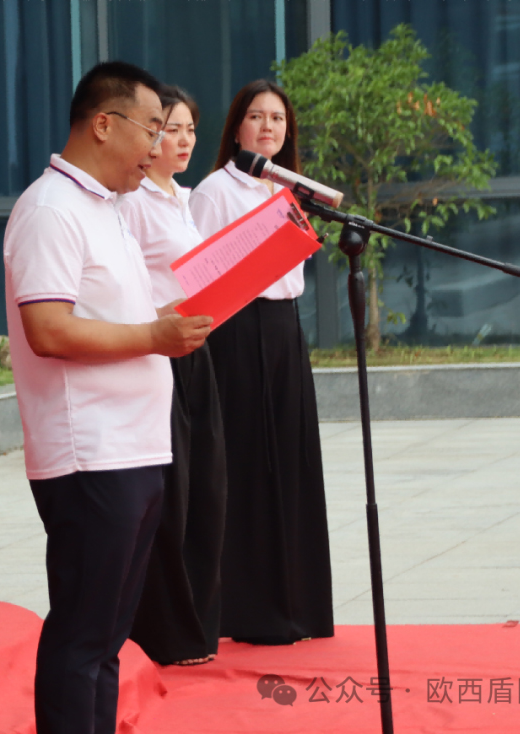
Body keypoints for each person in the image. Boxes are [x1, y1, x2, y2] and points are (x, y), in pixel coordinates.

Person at [3, 62, 212, 734]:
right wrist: (153, 335)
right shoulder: (51, 210)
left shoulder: (111, 209)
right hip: (90, 452)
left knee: (110, 635)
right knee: (84, 631)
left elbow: (116, 312)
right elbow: (48, 329)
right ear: (102, 124)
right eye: (151, 128)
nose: (157, 147)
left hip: (135, 446)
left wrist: (168, 320)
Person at [188, 80, 334, 646]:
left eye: (277, 118)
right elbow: (199, 276)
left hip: (284, 330)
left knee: (292, 461)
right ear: (236, 129)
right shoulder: (214, 191)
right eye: (256, 116)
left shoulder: (289, 188)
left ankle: (301, 605)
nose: (268, 127)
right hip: (236, 333)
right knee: (250, 465)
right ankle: (250, 610)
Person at [119, 86, 227, 667]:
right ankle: (165, 631)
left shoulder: (184, 198)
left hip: (197, 351)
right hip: (157, 350)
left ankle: (200, 628)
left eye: (189, 129)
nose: (182, 140)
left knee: (207, 488)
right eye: (169, 130)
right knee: (173, 493)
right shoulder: (134, 202)